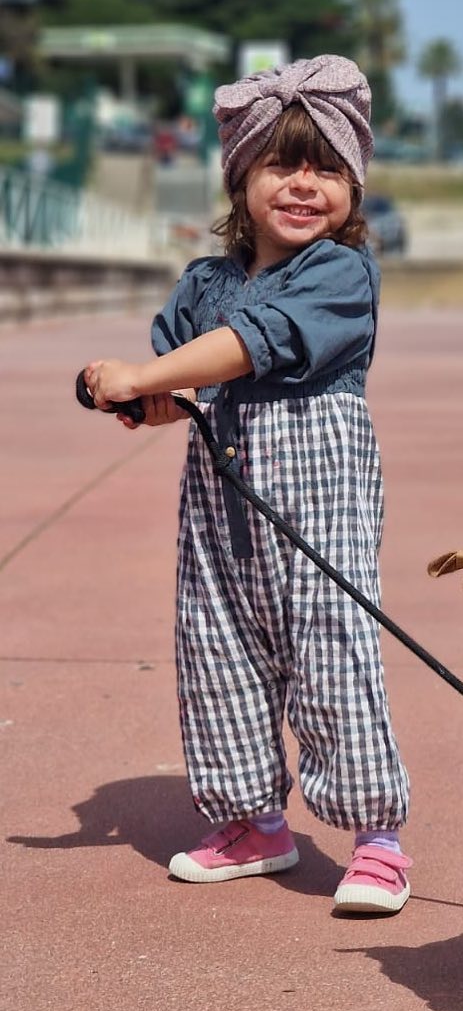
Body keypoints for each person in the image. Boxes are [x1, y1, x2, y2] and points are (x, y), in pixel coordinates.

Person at [81, 55, 412, 914]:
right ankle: (253, 821)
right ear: (242, 177)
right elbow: (173, 385)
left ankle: (377, 837)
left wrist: (149, 371)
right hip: (222, 495)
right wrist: (137, 390)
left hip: (318, 488)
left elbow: (251, 345)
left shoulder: (340, 274)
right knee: (216, 644)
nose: (306, 187)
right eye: (284, 165)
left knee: (330, 646)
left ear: (354, 188)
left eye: (329, 170)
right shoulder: (206, 283)